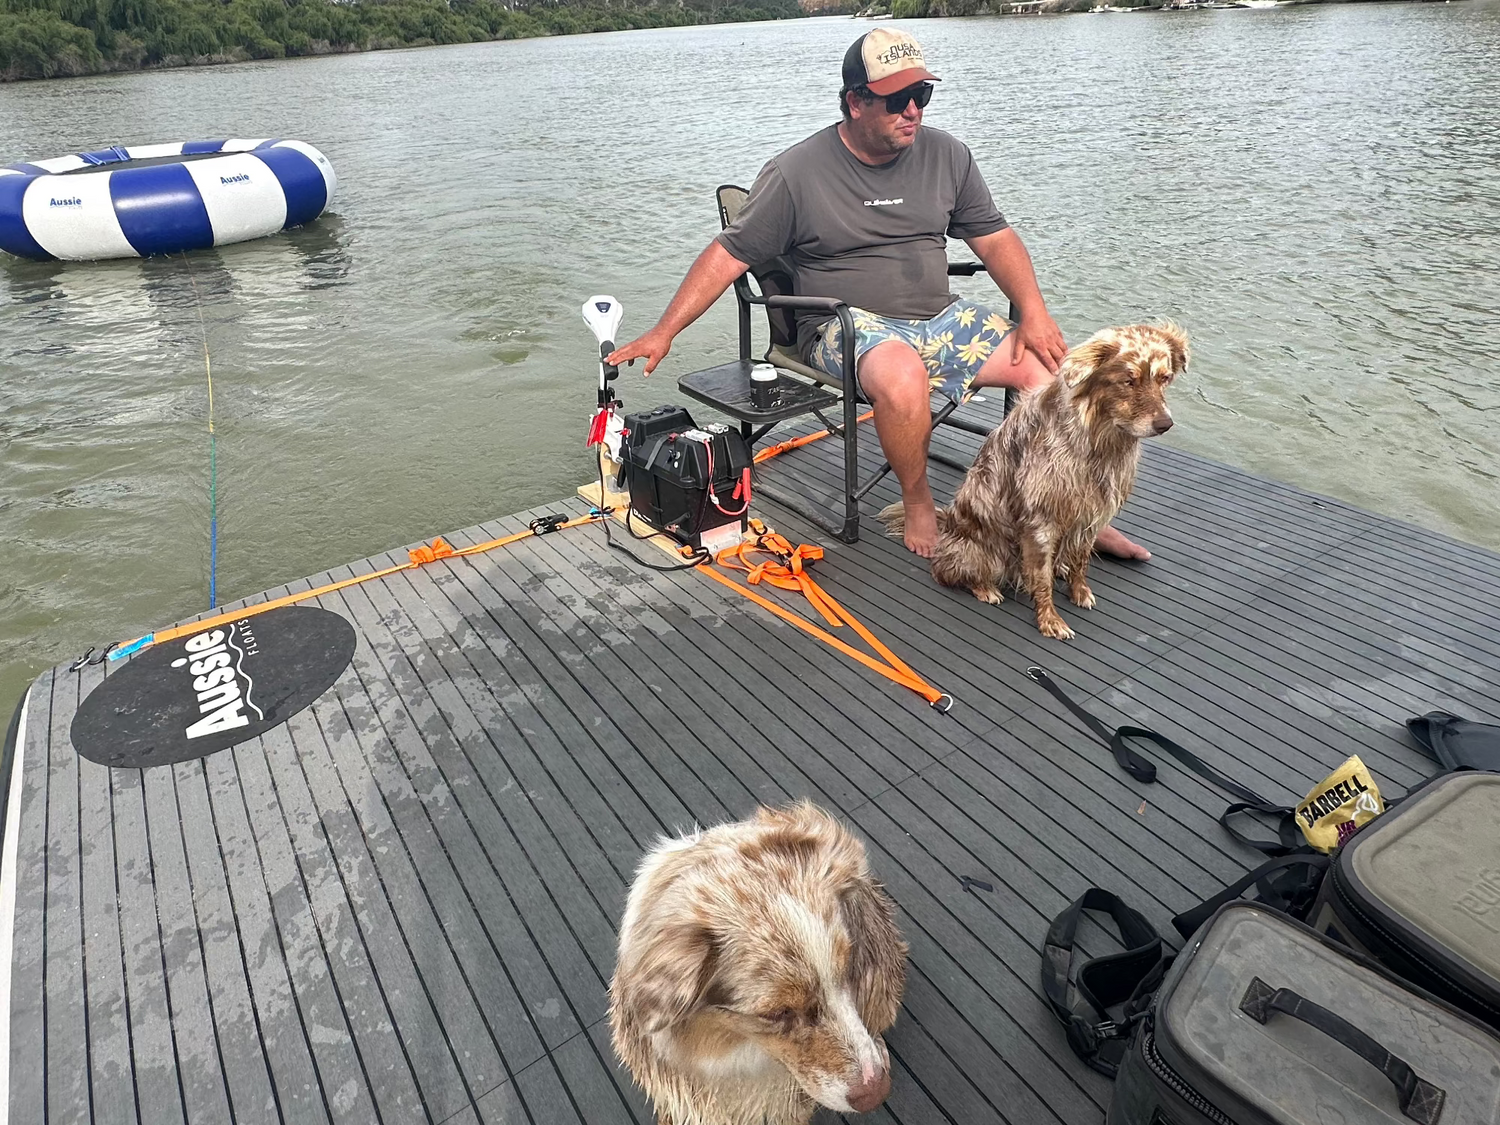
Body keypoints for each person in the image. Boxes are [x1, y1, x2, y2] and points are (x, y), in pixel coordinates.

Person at [608, 28, 1148, 561]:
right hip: (840, 325)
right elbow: (728, 255)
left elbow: (996, 238)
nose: (914, 110)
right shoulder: (795, 173)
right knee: (901, 371)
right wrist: (664, 331)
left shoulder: (948, 155)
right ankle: (917, 501)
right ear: (856, 102)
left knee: (1059, 374)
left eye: (923, 95)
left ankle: (1077, 517)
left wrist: (1034, 314)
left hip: (940, 318)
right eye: (898, 100)